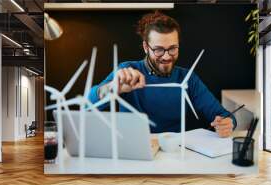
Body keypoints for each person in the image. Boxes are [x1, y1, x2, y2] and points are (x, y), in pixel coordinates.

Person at [89, 11, 236, 137]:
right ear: (146, 47)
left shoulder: (187, 78)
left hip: (174, 153)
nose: (166, 57)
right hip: (133, 151)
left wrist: (228, 123)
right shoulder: (127, 70)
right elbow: (87, 106)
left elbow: (223, 114)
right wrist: (113, 87)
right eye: (159, 50)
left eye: (172, 48)